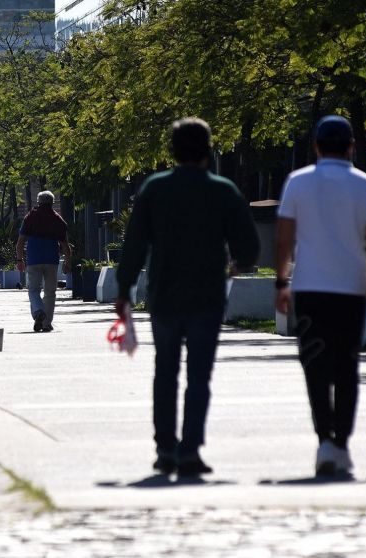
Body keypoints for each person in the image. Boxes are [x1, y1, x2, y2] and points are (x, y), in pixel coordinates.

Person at [116, 118, 260, 477]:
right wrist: (237, 263)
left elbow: (134, 245)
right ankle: (190, 450)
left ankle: (165, 448)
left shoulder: (155, 188)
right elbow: (249, 247)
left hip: (164, 296)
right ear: (208, 150)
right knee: (199, 376)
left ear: (173, 150)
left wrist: (123, 290)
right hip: (206, 298)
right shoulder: (223, 190)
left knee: (165, 372)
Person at [275, 115, 366, 477]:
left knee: (314, 364)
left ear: (316, 146)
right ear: (352, 147)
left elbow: (284, 238)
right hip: (351, 290)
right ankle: (342, 443)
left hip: (309, 289)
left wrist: (280, 282)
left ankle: (324, 441)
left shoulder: (297, 183)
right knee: (346, 365)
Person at [16, 191, 71, 332]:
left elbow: (20, 242)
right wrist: (68, 262)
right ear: (52, 203)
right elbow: (65, 245)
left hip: (33, 260)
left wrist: (19, 259)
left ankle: (38, 311)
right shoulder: (57, 219)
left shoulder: (30, 217)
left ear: (38, 202)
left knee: (33, 289)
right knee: (50, 292)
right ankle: (46, 324)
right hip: (52, 261)